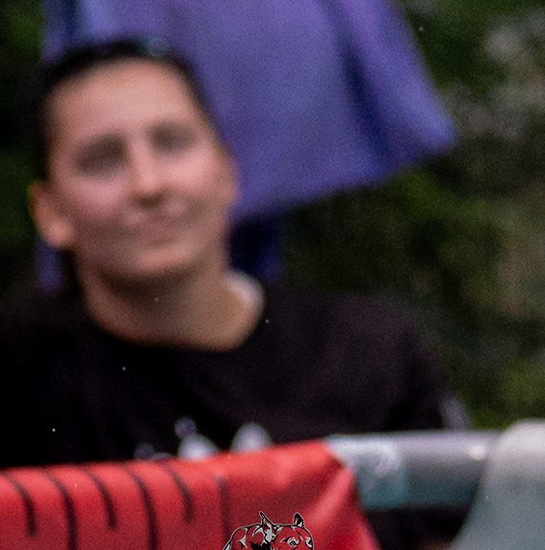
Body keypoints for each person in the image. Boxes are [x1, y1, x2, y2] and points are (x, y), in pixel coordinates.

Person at [0, 37, 463, 478]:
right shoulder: (18, 372)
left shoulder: (369, 355)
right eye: (102, 160)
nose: (148, 185)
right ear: (51, 211)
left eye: (172, 142)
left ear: (227, 172)